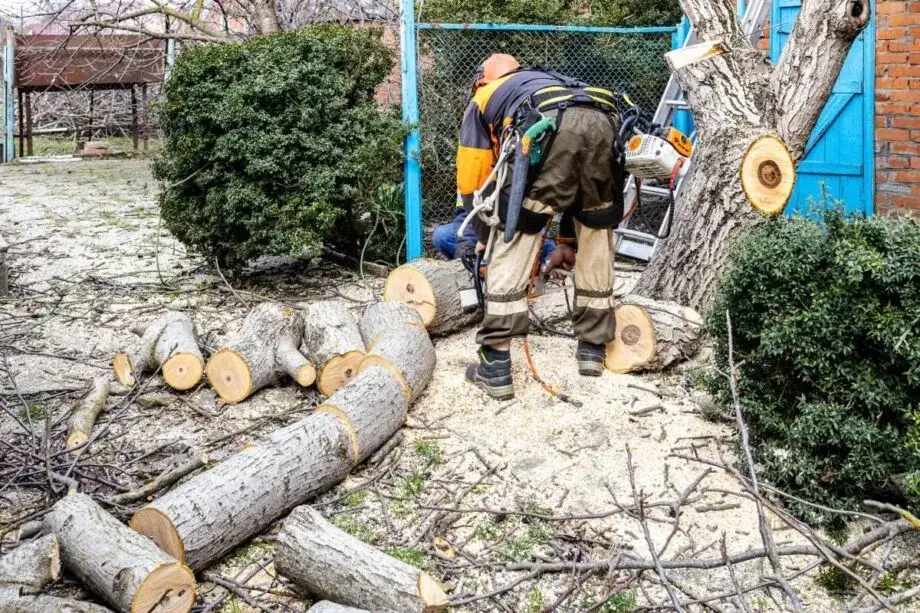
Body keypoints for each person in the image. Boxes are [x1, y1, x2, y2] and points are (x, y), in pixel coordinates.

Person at [457, 54, 624, 400]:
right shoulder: (548, 80)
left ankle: (496, 363)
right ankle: (592, 349)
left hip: (546, 127)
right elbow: (571, 182)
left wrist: (484, 237)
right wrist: (566, 239)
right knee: (595, 228)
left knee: (518, 233)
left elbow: (473, 177)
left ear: (483, 79)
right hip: (604, 120)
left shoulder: (484, 97)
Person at [432, 193, 556, 264]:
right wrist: (465, 253)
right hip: (481, 228)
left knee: (530, 233)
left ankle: (547, 254)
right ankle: (476, 264)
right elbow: (465, 215)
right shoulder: (469, 167)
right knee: (442, 235)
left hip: (515, 224)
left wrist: (485, 239)